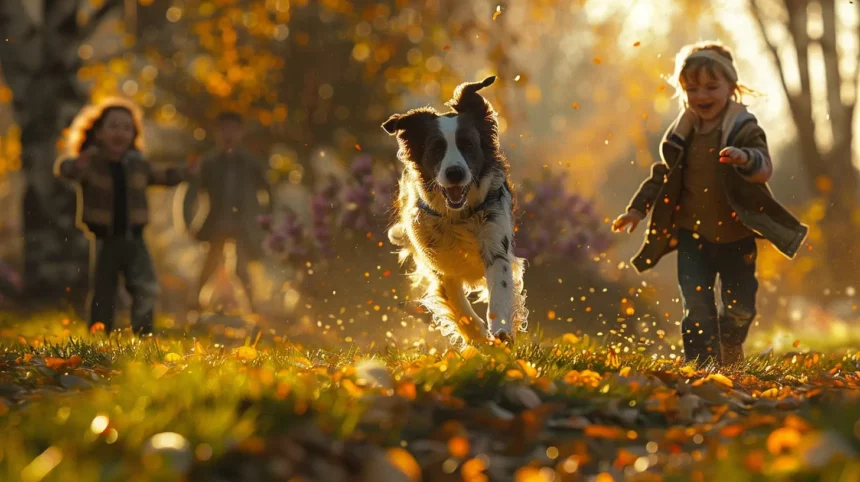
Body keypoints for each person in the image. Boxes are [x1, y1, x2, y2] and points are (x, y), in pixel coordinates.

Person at [611, 41, 808, 367]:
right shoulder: (682, 135)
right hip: (693, 236)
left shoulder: (743, 127)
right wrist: (637, 209)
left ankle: (730, 346)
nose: (701, 96)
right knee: (697, 306)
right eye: (692, 88)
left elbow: (763, 164)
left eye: (711, 87)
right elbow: (662, 176)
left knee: (740, 307)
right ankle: (701, 366)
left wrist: (744, 157)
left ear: (731, 86)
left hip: (736, 236)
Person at [55, 99, 193, 334]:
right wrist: (79, 162)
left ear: (133, 134)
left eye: (126, 128)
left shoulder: (138, 164)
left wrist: (184, 172)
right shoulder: (92, 162)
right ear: (99, 132)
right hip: (104, 238)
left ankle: (143, 332)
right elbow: (65, 170)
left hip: (134, 237)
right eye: (113, 126)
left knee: (145, 286)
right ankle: (100, 331)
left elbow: (161, 176)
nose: (120, 133)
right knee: (104, 289)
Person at [184, 111, 272, 313]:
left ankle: (252, 307)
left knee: (241, 267)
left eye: (233, 129)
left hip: (243, 224)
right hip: (216, 222)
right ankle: (197, 305)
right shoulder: (209, 162)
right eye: (224, 129)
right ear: (218, 132)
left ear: (240, 132)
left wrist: (266, 219)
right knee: (209, 264)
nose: (228, 134)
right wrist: (187, 221)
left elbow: (267, 191)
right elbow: (191, 192)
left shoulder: (250, 162)